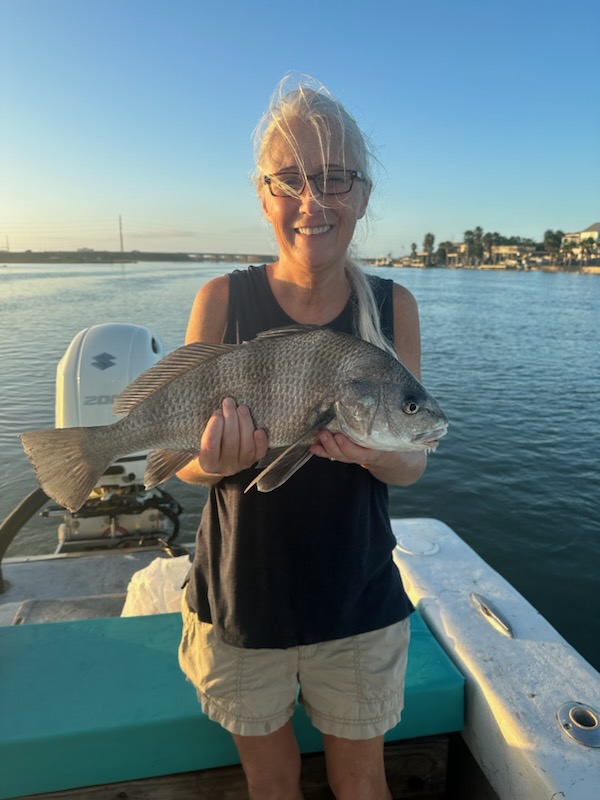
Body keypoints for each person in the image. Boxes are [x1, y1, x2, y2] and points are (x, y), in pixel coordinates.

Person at [177, 76, 427, 800]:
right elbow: (187, 467)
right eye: (291, 180)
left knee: (362, 780)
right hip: (240, 596)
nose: (314, 202)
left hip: (357, 596)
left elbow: (409, 466)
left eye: (334, 178)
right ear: (263, 195)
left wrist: (379, 452)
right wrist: (210, 460)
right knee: (271, 781)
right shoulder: (220, 300)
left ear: (363, 194)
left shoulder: (392, 307)